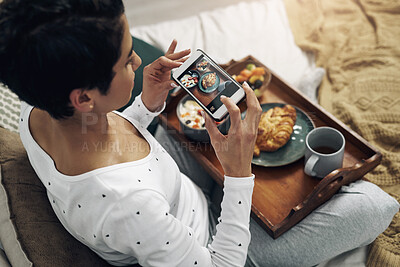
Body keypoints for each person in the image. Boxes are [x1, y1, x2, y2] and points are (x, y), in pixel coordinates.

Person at [0, 1, 398, 266]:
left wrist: (147, 103)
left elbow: (112, 138)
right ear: (84, 97)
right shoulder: (129, 205)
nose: (140, 59)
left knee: (204, 103)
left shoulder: (36, 110)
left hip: (174, 187)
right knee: (376, 204)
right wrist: (238, 175)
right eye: (126, 61)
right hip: (215, 240)